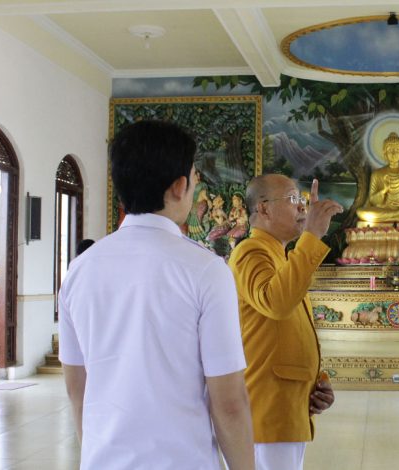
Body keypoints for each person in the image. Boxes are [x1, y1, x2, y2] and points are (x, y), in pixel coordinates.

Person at [59, 120, 254, 470]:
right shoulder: (206, 271)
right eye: (195, 176)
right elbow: (229, 402)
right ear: (180, 186)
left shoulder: (80, 269)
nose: (196, 185)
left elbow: (77, 388)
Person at [229, 174, 342, 470]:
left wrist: (313, 384)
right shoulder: (250, 252)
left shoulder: (281, 256)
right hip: (266, 413)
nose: (302, 208)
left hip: (286, 407)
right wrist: (313, 236)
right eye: (294, 200)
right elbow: (277, 303)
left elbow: (283, 332)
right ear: (263, 209)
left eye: (302, 201)